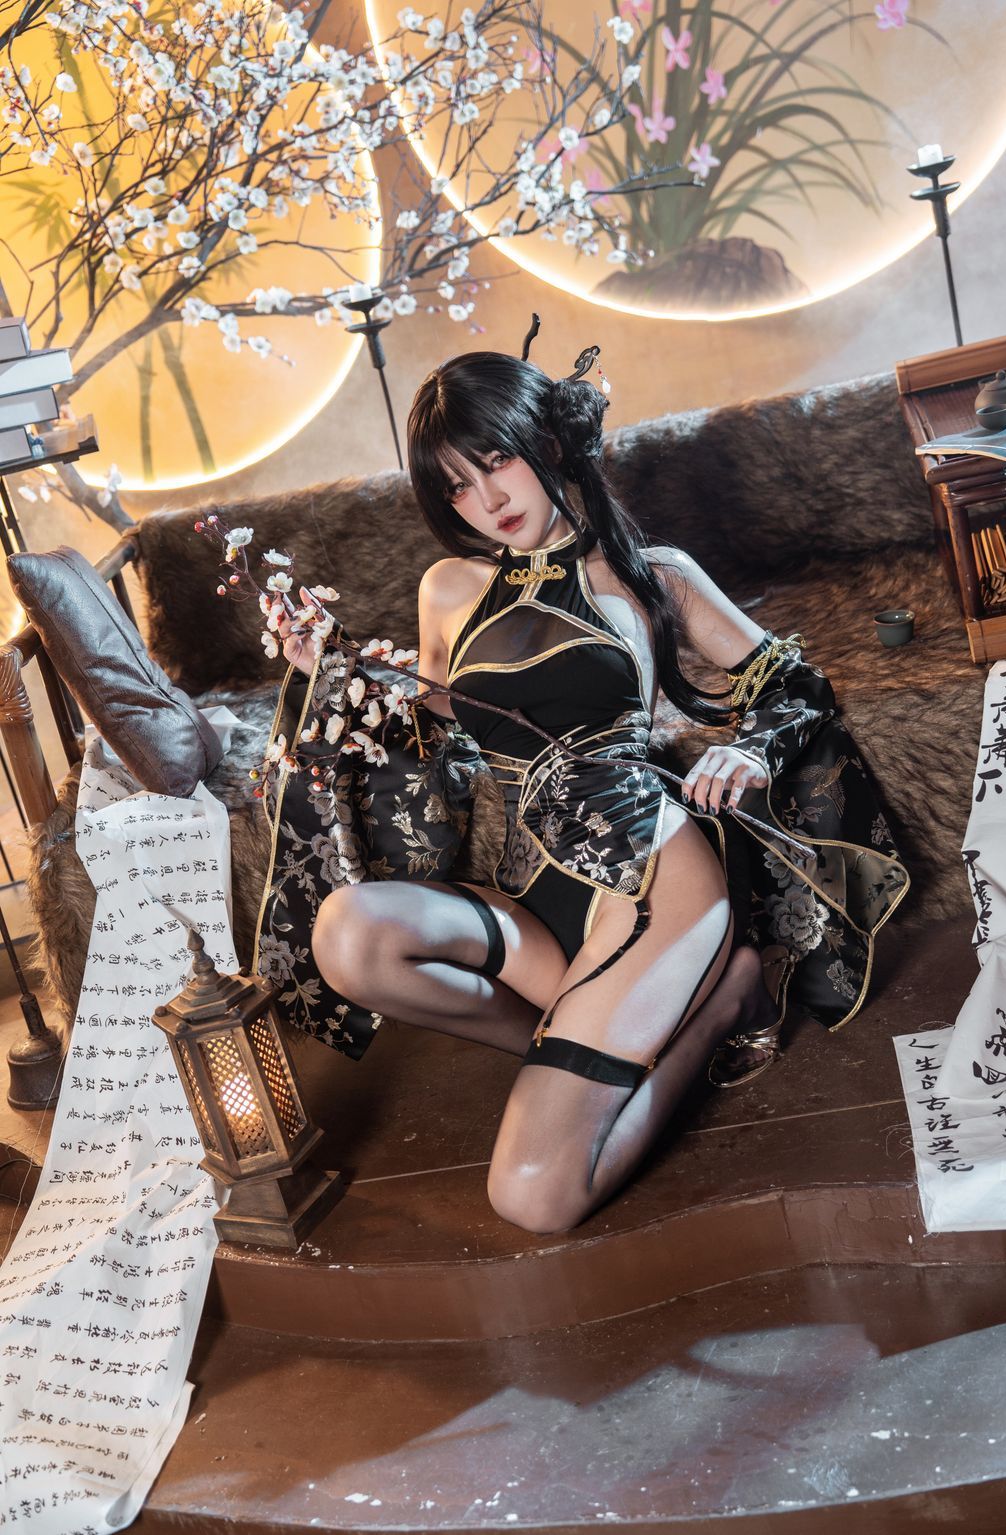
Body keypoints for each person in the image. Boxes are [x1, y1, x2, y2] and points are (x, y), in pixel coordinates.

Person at [275, 339, 909, 1235]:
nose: (487, 499)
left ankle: (721, 999)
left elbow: (796, 682)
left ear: (550, 444)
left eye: (498, 461)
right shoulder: (448, 589)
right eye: (457, 486)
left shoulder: (651, 575)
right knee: (348, 934)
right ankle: (580, 1040)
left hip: (653, 881)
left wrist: (752, 752)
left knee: (533, 1194)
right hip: (534, 889)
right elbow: (439, 735)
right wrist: (337, 674)